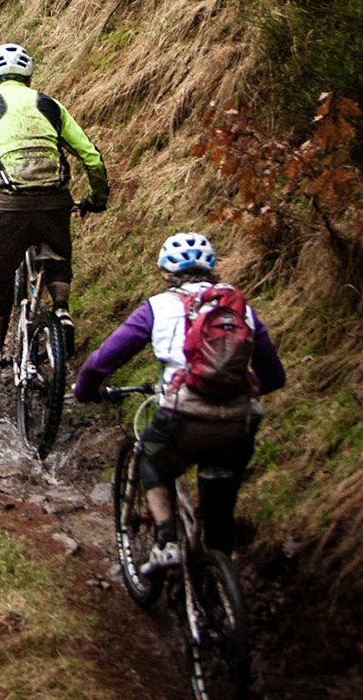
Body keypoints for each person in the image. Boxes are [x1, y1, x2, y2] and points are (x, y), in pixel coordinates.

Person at [73, 232, 287, 568]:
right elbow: (274, 376)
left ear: (166, 273)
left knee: (150, 460)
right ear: (212, 269)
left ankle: (167, 540)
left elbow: (103, 361)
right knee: (219, 507)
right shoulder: (241, 310)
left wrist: (85, 390)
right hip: (239, 421)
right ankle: (220, 577)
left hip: (182, 415)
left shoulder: (157, 308)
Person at [0, 42, 109, 373]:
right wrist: (96, 199)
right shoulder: (50, 105)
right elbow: (91, 157)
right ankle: (61, 310)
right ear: (29, 81)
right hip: (55, 201)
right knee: (57, 255)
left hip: (8, 203)